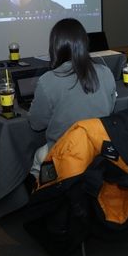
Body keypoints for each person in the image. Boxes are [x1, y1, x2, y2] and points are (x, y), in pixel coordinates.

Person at [29, 18, 116, 177]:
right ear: (84, 43)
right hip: (99, 149)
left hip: (64, 152)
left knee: (37, 156)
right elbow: (109, 109)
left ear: (55, 46)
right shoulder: (105, 72)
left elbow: (36, 123)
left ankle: (40, 196)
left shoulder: (47, 80)